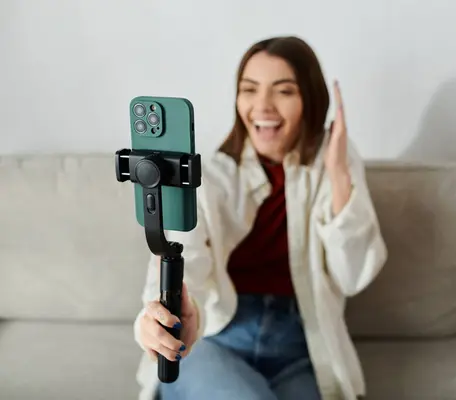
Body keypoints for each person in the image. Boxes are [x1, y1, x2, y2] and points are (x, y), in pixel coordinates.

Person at [133, 35, 388, 400]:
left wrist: (339, 177)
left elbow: (353, 276)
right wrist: (164, 317)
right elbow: (181, 266)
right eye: (249, 90)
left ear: (310, 100)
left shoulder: (334, 165)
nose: (262, 106)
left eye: (283, 91)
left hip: (300, 349)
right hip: (216, 338)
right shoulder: (210, 176)